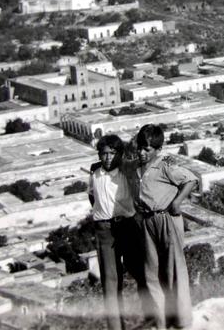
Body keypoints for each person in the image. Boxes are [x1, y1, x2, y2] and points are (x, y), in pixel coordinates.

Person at [131, 124, 197, 329]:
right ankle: (160, 322)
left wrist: (177, 203)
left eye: (147, 149)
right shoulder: (135, 168)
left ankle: (182, 322)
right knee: (152, 271)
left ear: (158, 149)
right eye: (140, 147)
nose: (142, 152)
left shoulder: (166, 165)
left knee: (173, 270)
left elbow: (191, 180)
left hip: (167, 219)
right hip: (147, 221)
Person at [88, 134, 143, 330]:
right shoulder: (94, 173)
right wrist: (103, 215)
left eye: (112, 154)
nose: (108, 158)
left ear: (119, 154)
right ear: (99, 155)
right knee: (110, 284)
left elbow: (138, 156)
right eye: (104, 154)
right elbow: (92, 197)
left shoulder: (126, 172)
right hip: (104, 231)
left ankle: (154, 320)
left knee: (140, 273)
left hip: (127, 227)